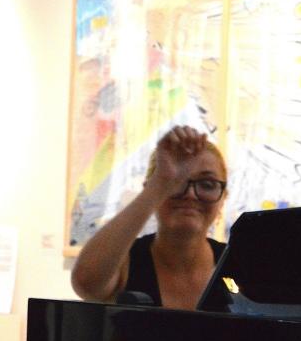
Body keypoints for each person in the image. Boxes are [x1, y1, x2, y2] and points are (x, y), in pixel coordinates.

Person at [70, 125, 228, 310]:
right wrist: (161, 181)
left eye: (207, 184)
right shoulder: (127, 262)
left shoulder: (236, 265)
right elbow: (86, 284)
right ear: (153, 189)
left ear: (223, 198)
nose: (190, 195)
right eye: (177, 183)